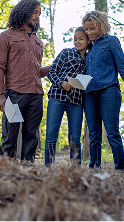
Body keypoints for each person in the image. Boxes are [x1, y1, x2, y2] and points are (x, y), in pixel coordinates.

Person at [0, 0, 47, 162]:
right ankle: (6, 169)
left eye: (39, 13)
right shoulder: (6, 36)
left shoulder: (38, 42)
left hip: (36, 95)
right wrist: (2, 95)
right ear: (24, 11)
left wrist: (55, 66)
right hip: (14, 95)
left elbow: (37, 72)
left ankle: (28, 169)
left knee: (31, 136)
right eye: (34, 12)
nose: (37, 16)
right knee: (10, 135)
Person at [83, 10, 124, 170]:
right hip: (89, 94)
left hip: (108, 91)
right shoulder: (87, 47)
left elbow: (122, 66)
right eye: (87, 29)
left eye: (92, 28)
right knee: (93, 135)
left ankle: (120, 168)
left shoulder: (111, 41)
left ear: (101, 26)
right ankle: (94, 167)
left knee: (112, 133)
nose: (89, 32)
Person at [44, 27, 90, 166]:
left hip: (76, 100)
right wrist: (61, 83)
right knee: (51, 135)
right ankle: (48, 167)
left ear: (88, 40)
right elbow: (51, 72)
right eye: (75, 39)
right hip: (57, 96)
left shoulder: (90, 58)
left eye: (81, 39)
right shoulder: (66, 52)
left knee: (75, 138)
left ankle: (75, 168)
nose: (77, 42)